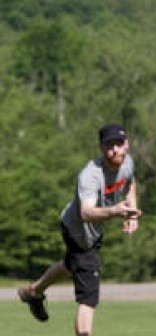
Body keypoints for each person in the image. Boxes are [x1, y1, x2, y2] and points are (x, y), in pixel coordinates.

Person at [18, 123, 142, 336]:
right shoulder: (90, 175)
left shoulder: (127, 163)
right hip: (78, 231)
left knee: (71, 264)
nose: (115, 150)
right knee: (89, 296)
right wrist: (115, 211)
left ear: (127, 144)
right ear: (101, 148)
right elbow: (86, 213)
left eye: (119, 144)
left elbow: (130, 184)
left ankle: (34, 292)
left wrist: (131, 211)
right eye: (109, 145)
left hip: (91, 231)